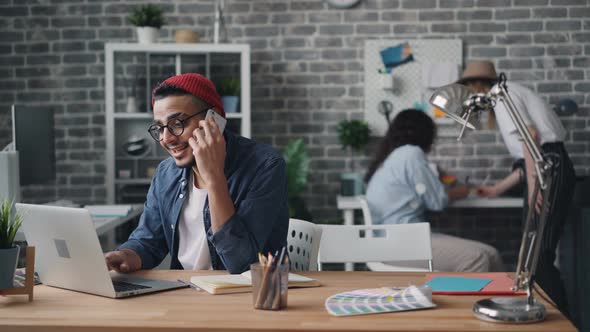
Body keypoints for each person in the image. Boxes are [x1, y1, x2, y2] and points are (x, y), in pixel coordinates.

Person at [104, 73, 289, 274]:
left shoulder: (265, 166)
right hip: (185, 292)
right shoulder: (166, 174)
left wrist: (214, 176)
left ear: (214, 120)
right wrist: (124, 256)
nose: (166, 139)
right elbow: (148, 242)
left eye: (178, 124)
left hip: (246, 296)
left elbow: (241, 264)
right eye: (160, 127)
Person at [458, 60, 576, 313]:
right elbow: (527, 159)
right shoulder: (507, 93)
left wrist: (536, 187)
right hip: (548, 164)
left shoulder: (502, 96)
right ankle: (542, 312)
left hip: (549, 167)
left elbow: (530, 138)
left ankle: (561, 320)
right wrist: (496, 190)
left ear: (477, 86)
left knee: (539, 256)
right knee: (531, 256)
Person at [365, 109, 504, 272]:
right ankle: (471, 299)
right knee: (477, 258)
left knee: (492, 254)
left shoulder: (393, 158)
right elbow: (437, 201)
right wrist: (464, 190)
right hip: (400, 243)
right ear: (425, 134)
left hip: (396, 240)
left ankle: (500, 299)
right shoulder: (411, 153)